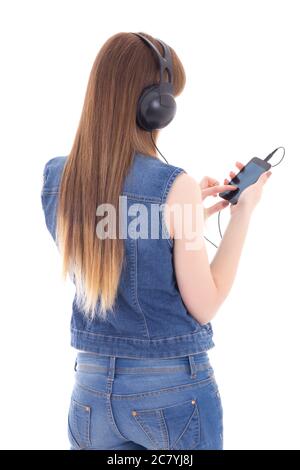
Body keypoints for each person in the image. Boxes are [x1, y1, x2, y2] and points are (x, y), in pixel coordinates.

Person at [41, 32, 272, 450]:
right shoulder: (173, 184)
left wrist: (185, 218)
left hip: (91, 396)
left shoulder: (59, 179)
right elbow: (205, 304)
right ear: (155, 107)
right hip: (170, 396)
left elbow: (110, 239)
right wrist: (242, 215)